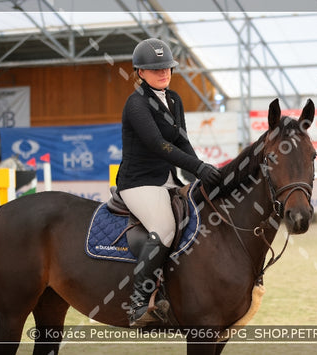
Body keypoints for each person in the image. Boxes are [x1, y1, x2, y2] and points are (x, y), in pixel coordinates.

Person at [116, 38, 222, 327]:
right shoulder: (136, 103)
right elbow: (158, 145)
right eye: (155, 69)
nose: (164, 72)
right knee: (164, 227)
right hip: (139, 182)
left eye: (167, 67)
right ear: (139, 72)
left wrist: (199, 176)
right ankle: (139, 303)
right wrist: (199, 166)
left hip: (168, 180)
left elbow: (182, 142)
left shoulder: (174, 99)